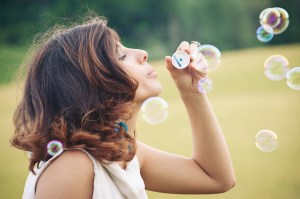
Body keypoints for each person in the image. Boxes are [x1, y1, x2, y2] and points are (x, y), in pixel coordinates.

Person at [11, 14, 235, 199]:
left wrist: (192, 92)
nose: (142, 53)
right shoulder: (73, 165)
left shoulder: (123, 154)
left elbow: (216, 178)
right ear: (88, 84)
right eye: (121, 55)